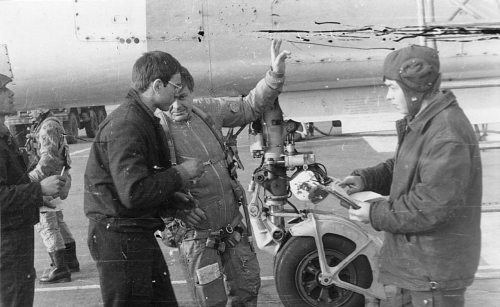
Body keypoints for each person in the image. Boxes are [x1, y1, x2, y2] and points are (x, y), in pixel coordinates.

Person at [338, 45, 482, 307]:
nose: (388, 96)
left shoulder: (446, 133)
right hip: (418, 271)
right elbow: (407, 164)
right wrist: (367, 179)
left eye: (392, 87)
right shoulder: (427, 121)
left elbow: (431, 206)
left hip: (432, 277)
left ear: (414, 89)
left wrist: (374, 214)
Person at [157, 39, 290, 307]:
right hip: (197, 238)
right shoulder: (157, 133)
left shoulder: (209, 111)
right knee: (211, 301)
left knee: (248, 289)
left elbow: (250, 106)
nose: (177, 106)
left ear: (192, 93)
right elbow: (147, 185)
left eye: (183, 97)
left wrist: (274, 76)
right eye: (171, 99)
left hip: (232, 228)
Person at [84, 51, 205, 307]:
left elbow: (139, 184)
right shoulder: (128, 124)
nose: (177, 93)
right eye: (174, 86)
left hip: (133, 235)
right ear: (157, 85)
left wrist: (171, 200)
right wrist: (181, 174)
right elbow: (133, 192)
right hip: (120, 239)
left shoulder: (142, 120)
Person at [0, 74, 67, 307]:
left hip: (15, 237)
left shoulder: (4, 136)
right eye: (3, 90)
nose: (11, 93)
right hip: (7, 242)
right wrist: (38, 189)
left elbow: (14, 183)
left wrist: (42, 195)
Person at [26, 108, 78, 284]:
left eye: (31, 109)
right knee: (58, 220)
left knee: (46, 223)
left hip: (48, 180)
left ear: (40, 109)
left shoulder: (47, 126)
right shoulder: (50, 123)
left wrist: (30, 181)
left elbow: (48, 159)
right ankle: (70, 260)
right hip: (56, 177)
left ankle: (60, 268)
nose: (28, 112)